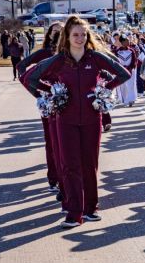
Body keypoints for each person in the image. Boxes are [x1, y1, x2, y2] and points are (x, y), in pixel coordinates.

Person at [23, 16, 131, 228]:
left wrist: (105, 88)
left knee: (90, 164)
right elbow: (29, 79)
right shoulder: (59, 60)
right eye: (75, 35)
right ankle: (74, 213)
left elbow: (123, 73)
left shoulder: (96, 57)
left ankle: (91, 209)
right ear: (68, 37)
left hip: (92, 118)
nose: (80, 38)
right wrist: (52, 92)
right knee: (70, 165)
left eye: (83, 34)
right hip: (66, 119)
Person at [17, 22, 64, 194]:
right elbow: (21, 68)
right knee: (52, 141)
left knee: (67, 144)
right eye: (55, 31)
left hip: (70, 101)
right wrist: (39, 93)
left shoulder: (70, 53)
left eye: (61, 31)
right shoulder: (45, 53)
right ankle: (54, 178)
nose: (58, 34)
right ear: (49, 34)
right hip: (51, 102)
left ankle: (67, 179)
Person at [114, 36, 138, 108]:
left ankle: (131, 99)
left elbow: (134, 61)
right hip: (121, 71)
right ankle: (125, 100)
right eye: (126, 41)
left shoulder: (131, 51)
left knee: (131, 85)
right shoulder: (117, 51)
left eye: (128, 40)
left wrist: (130, 67)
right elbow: (116, 61)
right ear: (122, 42)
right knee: (123, 86)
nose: (128, 42)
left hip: (130, 70)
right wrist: (121, 68)